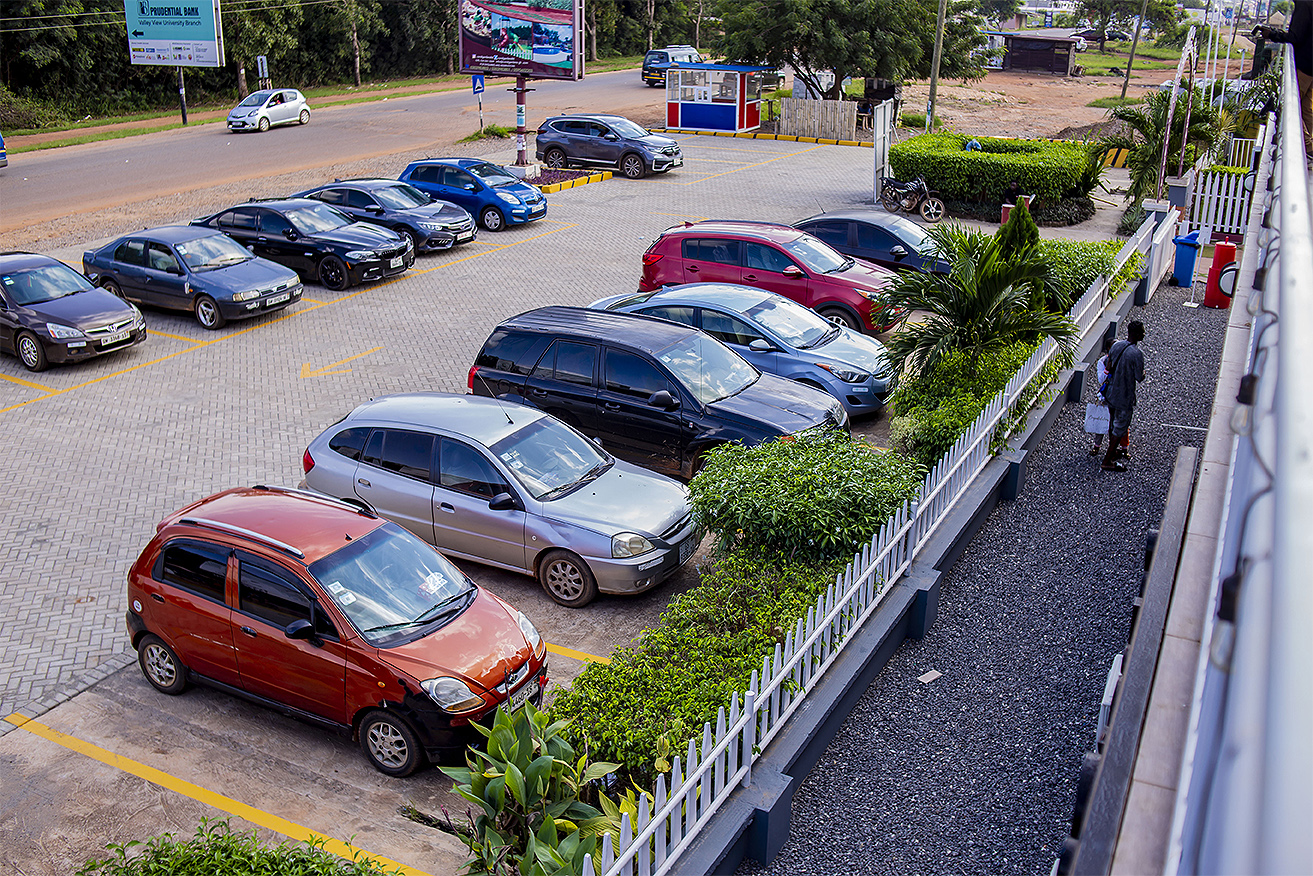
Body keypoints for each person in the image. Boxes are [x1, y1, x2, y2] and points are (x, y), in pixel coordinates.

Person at [1259, 0, 1312, 161]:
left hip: (1304, 65)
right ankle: (1308, 150)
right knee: (1307, 109)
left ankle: (1308, 147)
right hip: (1310, 67)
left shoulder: (1304, 4)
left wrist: (1272, 35)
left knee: (1291, 104)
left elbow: (1295, 36)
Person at [1102, 321, 1146, 473]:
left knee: (1113, 423)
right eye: (1142, 331)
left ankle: (1112, 451)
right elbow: (1139, 377)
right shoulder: (1136, 354)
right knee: (1120, 427)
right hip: (1124, 395)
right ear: (1138, 334)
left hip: (1111, 392)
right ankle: (1107, 460)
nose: (1144, 334)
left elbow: (1109, 365)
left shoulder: (1116, 346)